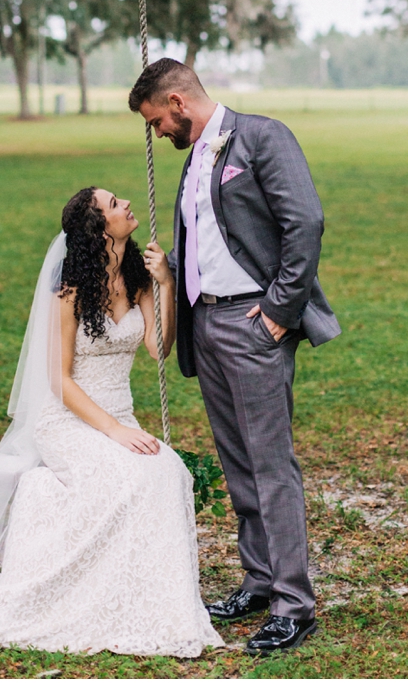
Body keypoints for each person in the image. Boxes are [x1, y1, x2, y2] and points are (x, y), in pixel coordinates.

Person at [0, 186, 222, 657]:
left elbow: (159, 349)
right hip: (67, 421)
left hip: (121, 416)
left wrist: (166, 285)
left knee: (168, 470)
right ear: (98, 228)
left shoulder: (137, 278)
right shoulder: (69, 293)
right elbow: (59, 381)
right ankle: (100, 596)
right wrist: (113, 430)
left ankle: (151, 602)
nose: (126, 204)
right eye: (114, 204)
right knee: (131, 477)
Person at [129, 59, 341, 656]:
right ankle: (259, 579)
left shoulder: (261, 137)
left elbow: (305, 222)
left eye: (156, 122)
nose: (158, 134)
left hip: (254, 322)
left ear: (177, 100)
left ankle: (293, 605)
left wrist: (278, 311)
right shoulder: (196, 156)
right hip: (207, 324)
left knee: (270, 464)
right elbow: (213, 233)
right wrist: (169, 267)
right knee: (237, 461)